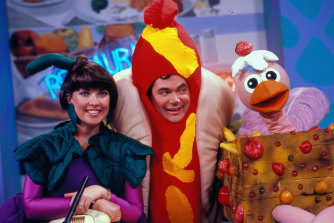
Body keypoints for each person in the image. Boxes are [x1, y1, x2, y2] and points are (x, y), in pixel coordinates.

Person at [110, 0, 235, 222]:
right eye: (164, 92)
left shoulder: (216, 100)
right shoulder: (124, 113)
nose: (175, 100)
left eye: (182, 89)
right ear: (148, 95)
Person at [0, 53, 153, 223]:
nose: (95, 102)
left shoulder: (126, 150)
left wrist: (105, 195)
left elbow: (136, 214)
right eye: (85, 93)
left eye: (102, 93)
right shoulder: (45, 147)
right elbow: (30, 207)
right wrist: (94, 203)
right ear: (69, 98)